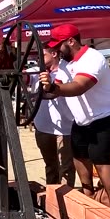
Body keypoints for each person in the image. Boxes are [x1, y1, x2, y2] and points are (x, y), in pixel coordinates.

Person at [39, 24, 110, 213]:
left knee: (100, 157)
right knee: (79, 154)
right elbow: (59, 87)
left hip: (108, 114)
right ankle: (89, 196)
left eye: (58, 45)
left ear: (71, 41)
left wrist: (54, 88)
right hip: (83, 118)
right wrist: (48, 89)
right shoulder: (64, 63)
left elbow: (79, 86)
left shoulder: (93, 58)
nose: (55, 49)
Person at [26, 43, 76, 187]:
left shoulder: (68, 70)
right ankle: (51, 195)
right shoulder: (36, 71)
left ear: (54, 54)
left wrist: (50, 84)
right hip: (43, 126)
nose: (38, 58)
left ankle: (67, 196)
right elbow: (24, 78)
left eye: (43, 55)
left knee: (66, 167)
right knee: (50, 165)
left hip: (65, 127)